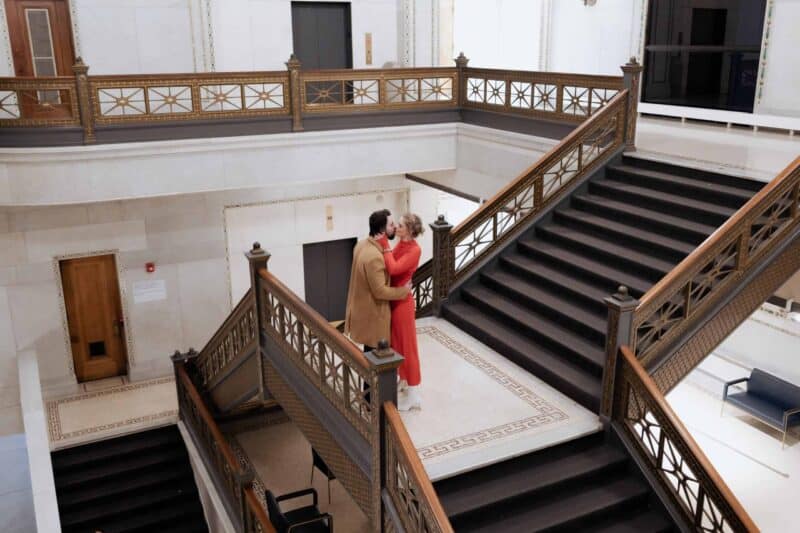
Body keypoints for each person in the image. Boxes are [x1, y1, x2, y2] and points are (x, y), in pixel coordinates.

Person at [345, 209, 410, 353]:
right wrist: (403, 291)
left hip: (363, 314)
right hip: (374, 318)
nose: (395, 227)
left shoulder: (361, 245)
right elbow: (380, 291)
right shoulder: (375, 256)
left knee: (369, 354)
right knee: (376, 358)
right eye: (391, 225)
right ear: (381, 230)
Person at [380, 213, 424, 411]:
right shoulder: (401, 243)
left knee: (408, 348)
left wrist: (384, 244)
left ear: (409, 230)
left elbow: (395, 268)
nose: (396, 227)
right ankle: (404, 381)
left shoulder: (414, 249)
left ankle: (414, 395)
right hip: (395, 299)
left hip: (403, 304)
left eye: (400, 225)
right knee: (397, 344)